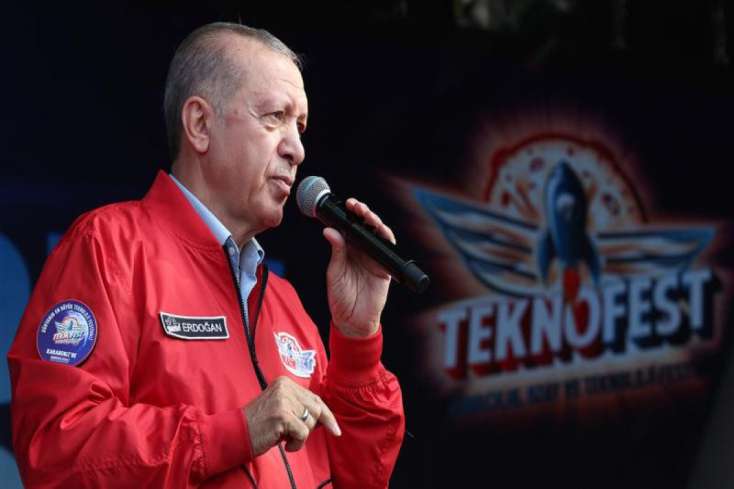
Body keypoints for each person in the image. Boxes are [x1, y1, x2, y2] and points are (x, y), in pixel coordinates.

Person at [8, 22, 404, 489]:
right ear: (199, 124)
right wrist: (236, 431)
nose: (297, 149)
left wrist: (357, 343)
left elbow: (359, 477)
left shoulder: (284, 302)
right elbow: (58, 451)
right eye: (275, 116)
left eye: (299, 127)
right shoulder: (108, 248)